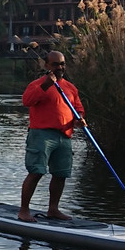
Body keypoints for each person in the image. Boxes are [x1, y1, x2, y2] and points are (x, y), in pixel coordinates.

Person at [18, 50, 85, 223]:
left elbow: (78, 109)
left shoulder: (70, 88)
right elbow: (27, 101)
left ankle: (53, 209)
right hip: (41, 134)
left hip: (64, 135)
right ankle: (24, 211)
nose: (59, 67)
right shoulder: (37, 84)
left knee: (61, 173)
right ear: (47, 66)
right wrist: (46, 86)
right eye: (55, 64)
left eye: (62, 64)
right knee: (36, 172)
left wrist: (79, 119)